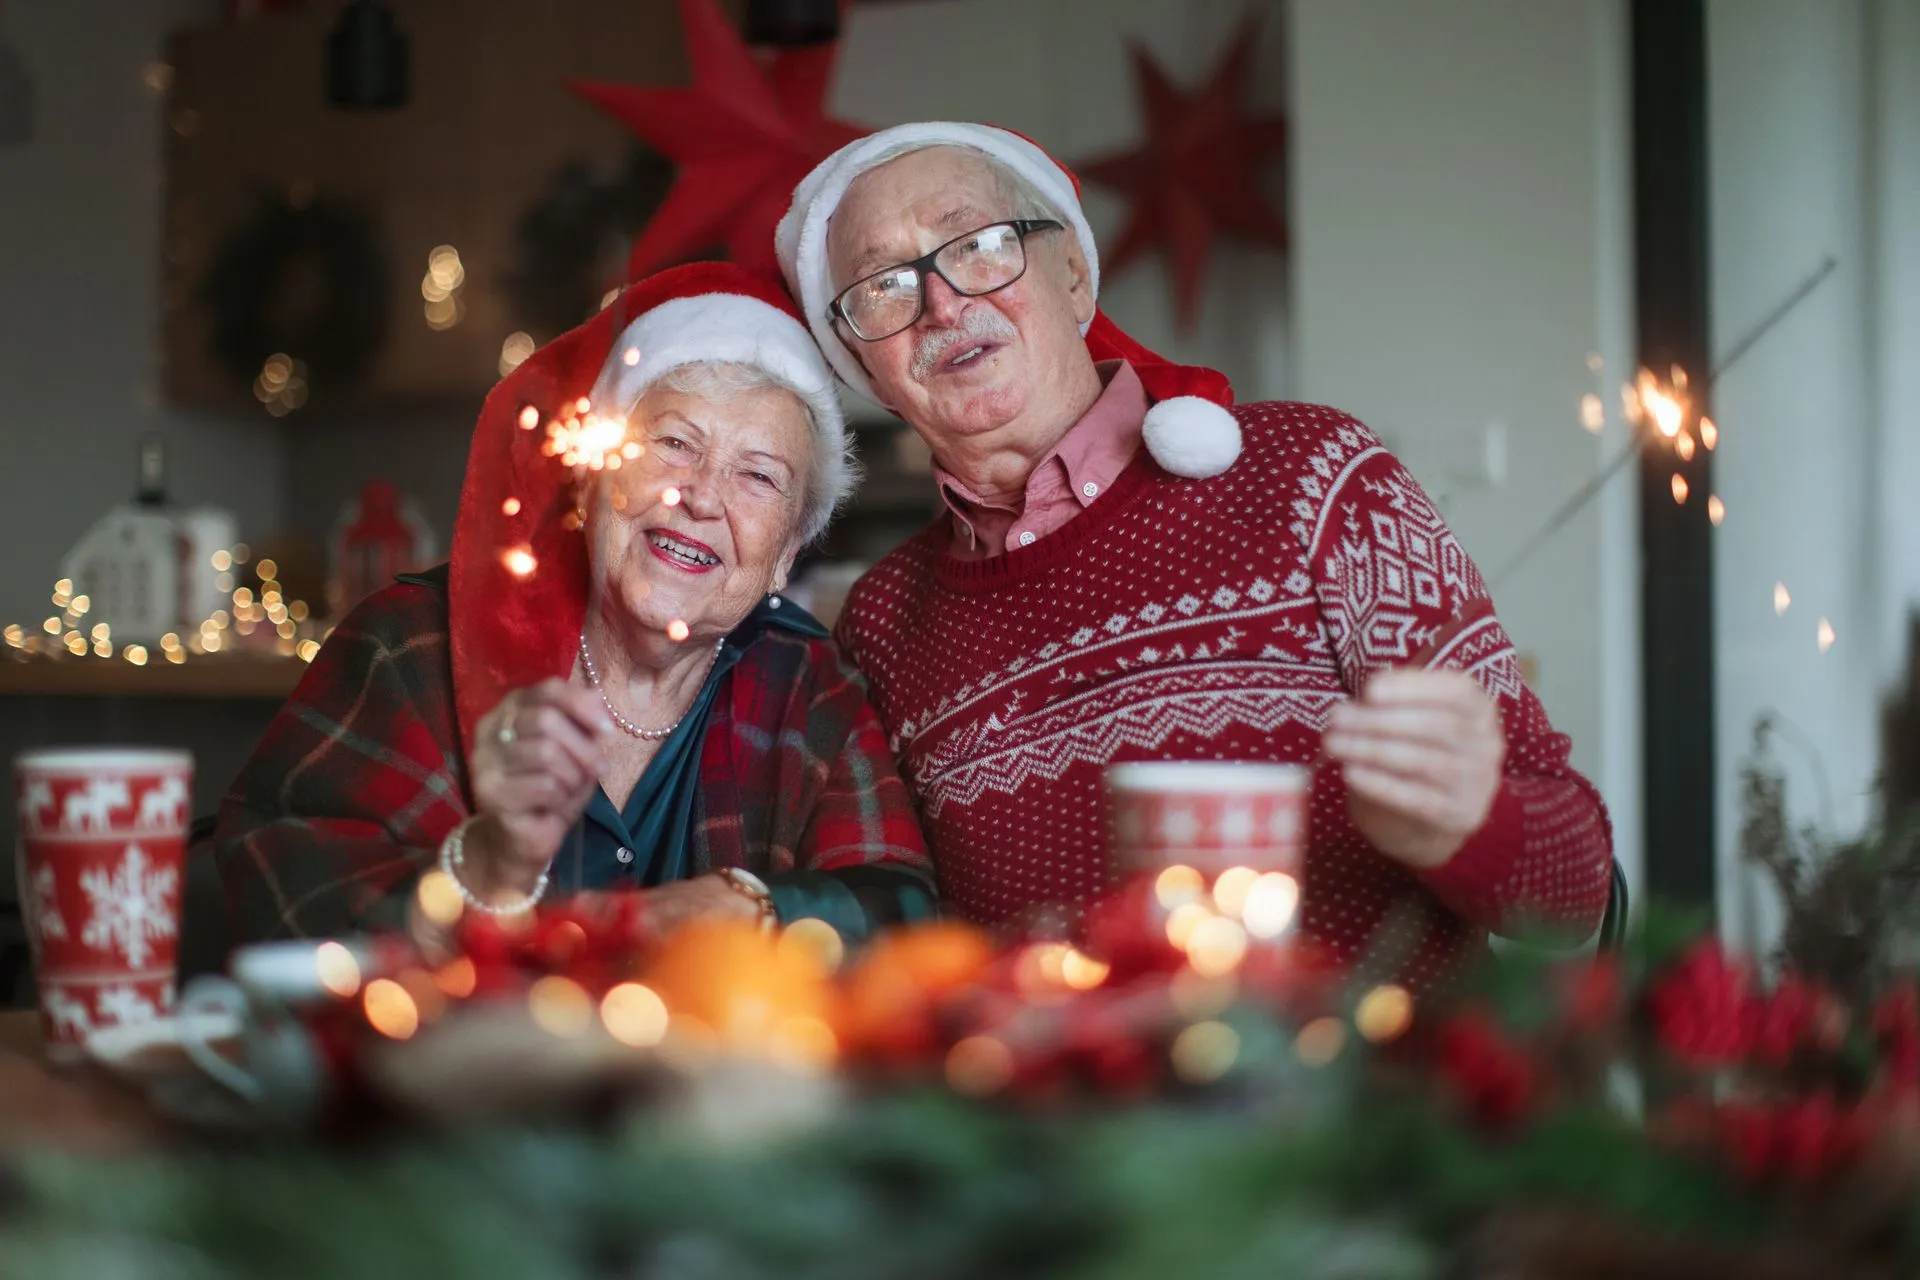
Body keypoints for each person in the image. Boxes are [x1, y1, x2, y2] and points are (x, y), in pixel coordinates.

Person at [774, 124, 1614, 989]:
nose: (944, 304)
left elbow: (1576, 889)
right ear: (865, 371)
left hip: (1372, 1107)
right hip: (1059, 1112)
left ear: (1071, 275)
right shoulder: (882, 618)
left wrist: (1467, 830)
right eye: (883, 285)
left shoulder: (1313, 476)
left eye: (981, 246)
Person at [196, 263, 934, 958]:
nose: (703, 496)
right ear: (588, 479)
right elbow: (279, 899)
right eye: (675, 443)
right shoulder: (413, 644)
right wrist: (484, 867)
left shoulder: (807, 682)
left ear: (784, 555)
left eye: (759, 477)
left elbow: (902, 914)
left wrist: (746, 905)